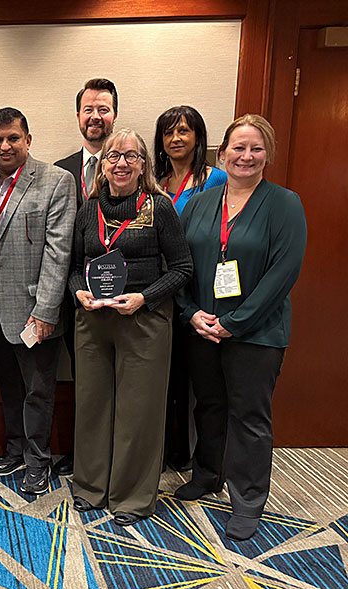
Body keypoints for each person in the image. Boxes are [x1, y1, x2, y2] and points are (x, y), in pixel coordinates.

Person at [174, 114, 306, 541]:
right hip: (202, 327)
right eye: (238, 147)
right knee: (208, 405)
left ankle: (248, 499)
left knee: (249, 415)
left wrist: (234, 323)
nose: (246, 156)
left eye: (256, 148)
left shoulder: (285, 204)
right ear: (222, 152)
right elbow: (181, 267)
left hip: (256, 333)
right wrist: (192, 312)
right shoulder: (199, 203)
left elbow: (282, 273)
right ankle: (208, 474)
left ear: (268, 154)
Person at [68, 128, 192, 526]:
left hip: (144, 320)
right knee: (92, 406)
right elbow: (73, 267)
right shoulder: (89, 209)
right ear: (102, 166)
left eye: (131, 156)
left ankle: (132, 497)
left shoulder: (160, 207)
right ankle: (91, 487)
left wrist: (144, 298)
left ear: (144, 165)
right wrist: (78, 293)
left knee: (139, 411)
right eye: (113, 156)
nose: (121, 163)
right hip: (93, 320)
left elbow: (182, 268)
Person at [0, 108, 75, 493]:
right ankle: (16, 448)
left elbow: (59, 253)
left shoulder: (56, 181)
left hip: (35, 307)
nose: (5, 146)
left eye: (13, 138)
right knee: (8, 381)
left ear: (28, 140)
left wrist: (46, 310)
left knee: (38, 389)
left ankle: (38, 460)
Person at [152, 105, 227, 471]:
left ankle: (201, 461)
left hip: (200, 291)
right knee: (168, 378)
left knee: (202, 383)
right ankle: (171, 450)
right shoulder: (156, 182)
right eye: (168, 133)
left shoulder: (216, 180)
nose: (176, 139)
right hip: (163, 291)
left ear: (198, 136)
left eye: (183, 131)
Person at [53, 77, 119, 477]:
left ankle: (117, 456)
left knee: (122, 381)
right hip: (72, 295)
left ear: (115, 114)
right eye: (88, 109)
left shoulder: (129, 165)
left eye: (103, 109)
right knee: (84, 379)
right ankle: (86, 455)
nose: (95, 117)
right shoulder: (60, 171)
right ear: (78, 115)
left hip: (123, 298)